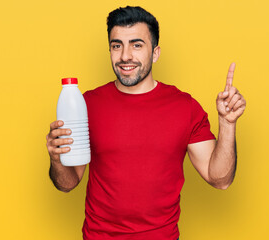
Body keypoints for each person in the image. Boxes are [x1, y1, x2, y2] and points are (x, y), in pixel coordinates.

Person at [46, 6, 246, 240]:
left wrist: (227, 124)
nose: (125, 56)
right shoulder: (86, 104)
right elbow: (67, 184)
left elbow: (220, 179)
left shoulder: (184, 107)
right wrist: (56, 158)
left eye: (137, 45)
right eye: (116, 45)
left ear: (156, 52)